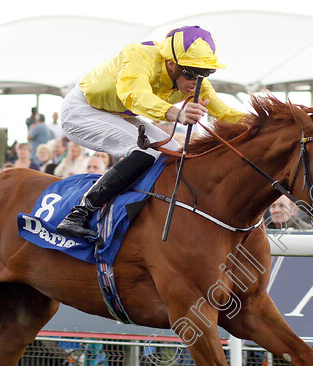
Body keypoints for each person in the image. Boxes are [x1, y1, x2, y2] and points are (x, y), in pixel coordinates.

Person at [56, 26, 245, 241]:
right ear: (172, 65)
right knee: (145, 149)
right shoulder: (138, 55)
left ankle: (149, 213)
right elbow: (136, 96)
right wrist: (177, 114)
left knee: (174, 151)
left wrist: (269, 121)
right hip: (82, 110)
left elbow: (225, 112)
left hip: (116, 114)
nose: (197, 81)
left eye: (206, 73)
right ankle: (79, 214)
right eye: (191, 73)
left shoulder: (193, 77)